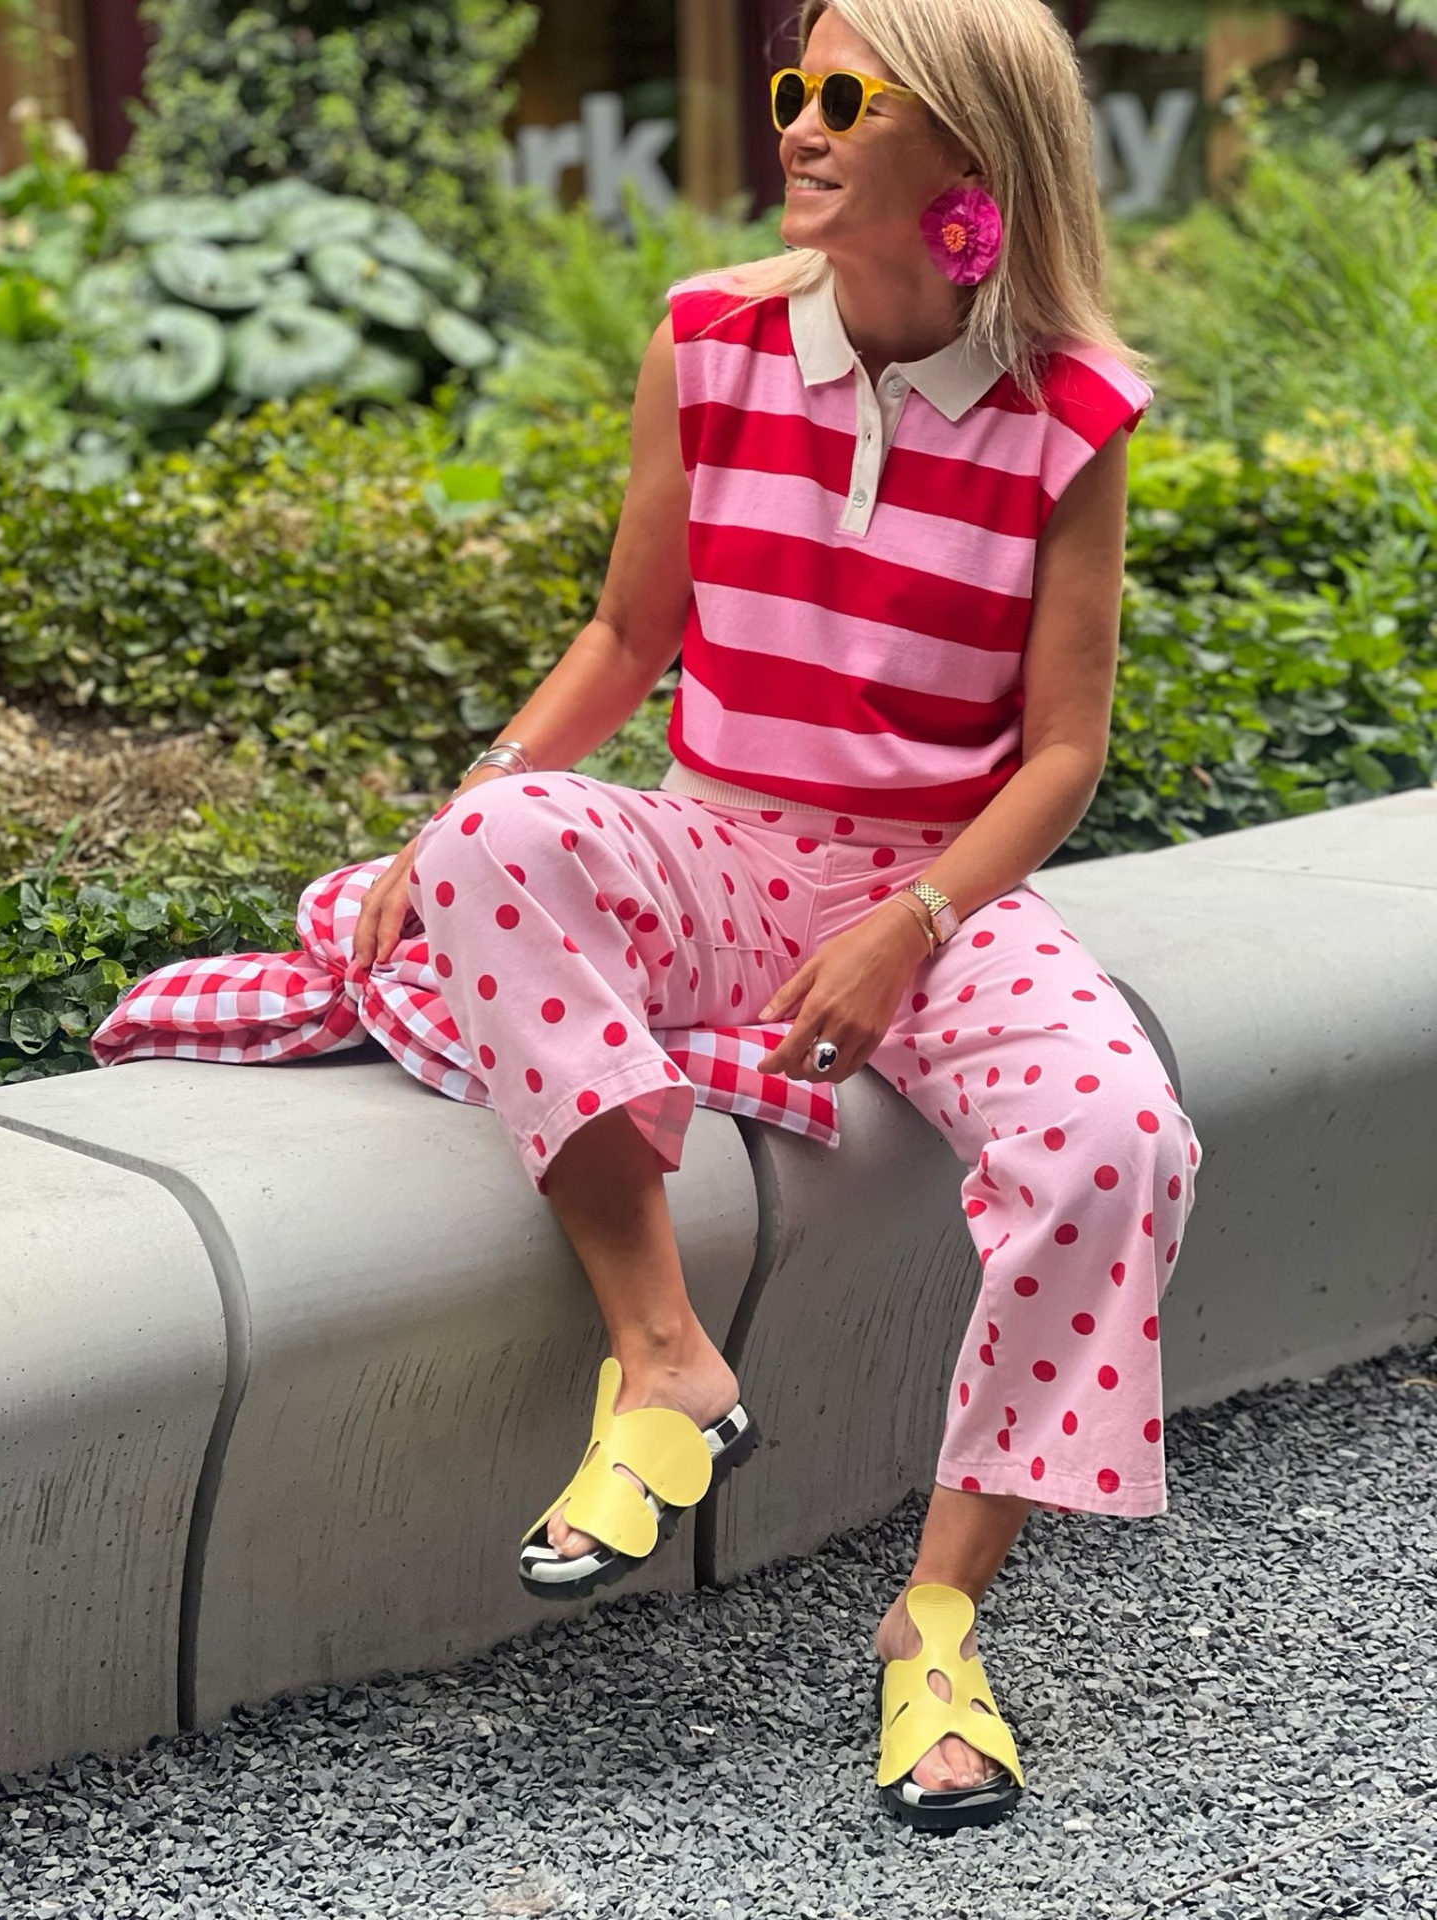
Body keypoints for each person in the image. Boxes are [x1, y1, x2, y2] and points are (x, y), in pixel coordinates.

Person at [352, 0, 1203, 1834]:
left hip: (938, 891)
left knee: (1120, 1139)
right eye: (794, 88)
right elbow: (628, 636)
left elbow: (1065, 752)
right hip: (721, 846)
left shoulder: (1071, 411)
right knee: (497, 841)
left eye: (845, 98)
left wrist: (914, 920)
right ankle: (665, 1362)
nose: (799, 125)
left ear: (966, 148)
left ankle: (937, 1623)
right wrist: (463, 805)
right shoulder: (709, 340)